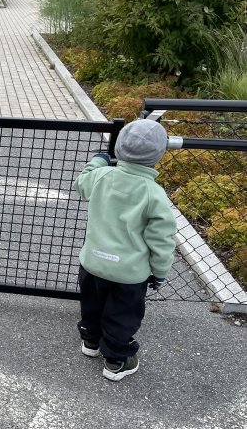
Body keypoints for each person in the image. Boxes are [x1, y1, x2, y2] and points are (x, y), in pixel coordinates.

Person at [73, 119, 177, 381]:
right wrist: (160, 271)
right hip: (129, 274)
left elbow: (82, 181)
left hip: (93, 264)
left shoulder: (101, 176)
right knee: (121, 315)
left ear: (118, 148)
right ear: (159, 155)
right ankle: (117, 360)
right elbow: (162, 239)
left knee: (92, 306)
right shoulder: (154, 194)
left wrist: (98, 160)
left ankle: (91, 342)